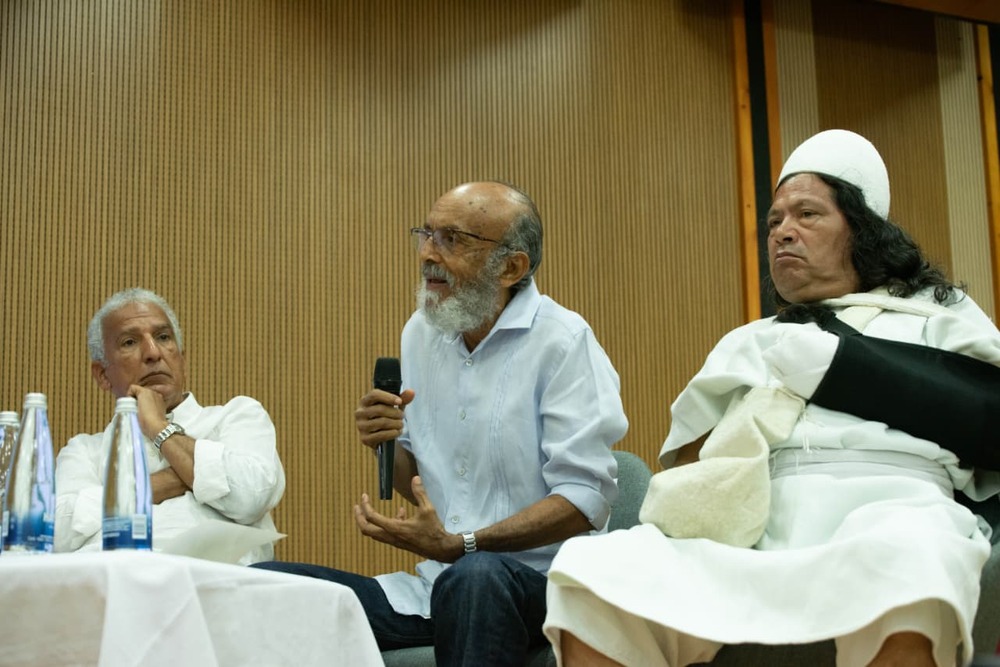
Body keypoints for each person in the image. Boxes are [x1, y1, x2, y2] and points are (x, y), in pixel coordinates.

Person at [543, 130, 1000, 666]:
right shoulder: (750, 341)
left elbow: (987, 421)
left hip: (894, 502)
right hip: (761, 518)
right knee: (595, 572)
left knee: (906, 557)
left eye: (807, 215)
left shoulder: (939, 319)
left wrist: (846, 372)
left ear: (865, 231)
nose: (784, 232)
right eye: (775, 221)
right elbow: (693, 466)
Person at [253, 181, 628, 666]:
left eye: (453, 240)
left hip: (544, 589)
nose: (429, 254)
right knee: (265, 585)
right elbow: (428, 483)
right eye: (426, 235)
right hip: (440, 589)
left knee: (477, 576)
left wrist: (464, 545)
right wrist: (385, 439)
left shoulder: (563, 342)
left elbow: (585, 500)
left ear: (512, 267)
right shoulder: (421, 332)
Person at [55, 288, 286, 565]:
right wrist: (168, 481)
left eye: (163, 337)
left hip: (219, 589)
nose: (153, 352)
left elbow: (250, 497)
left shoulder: (236, 416)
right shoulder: (84, 451)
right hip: (112, 587)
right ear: (103, 376)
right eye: (130, 342)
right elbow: (57, 534)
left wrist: (158, 427)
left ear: (182, 361)